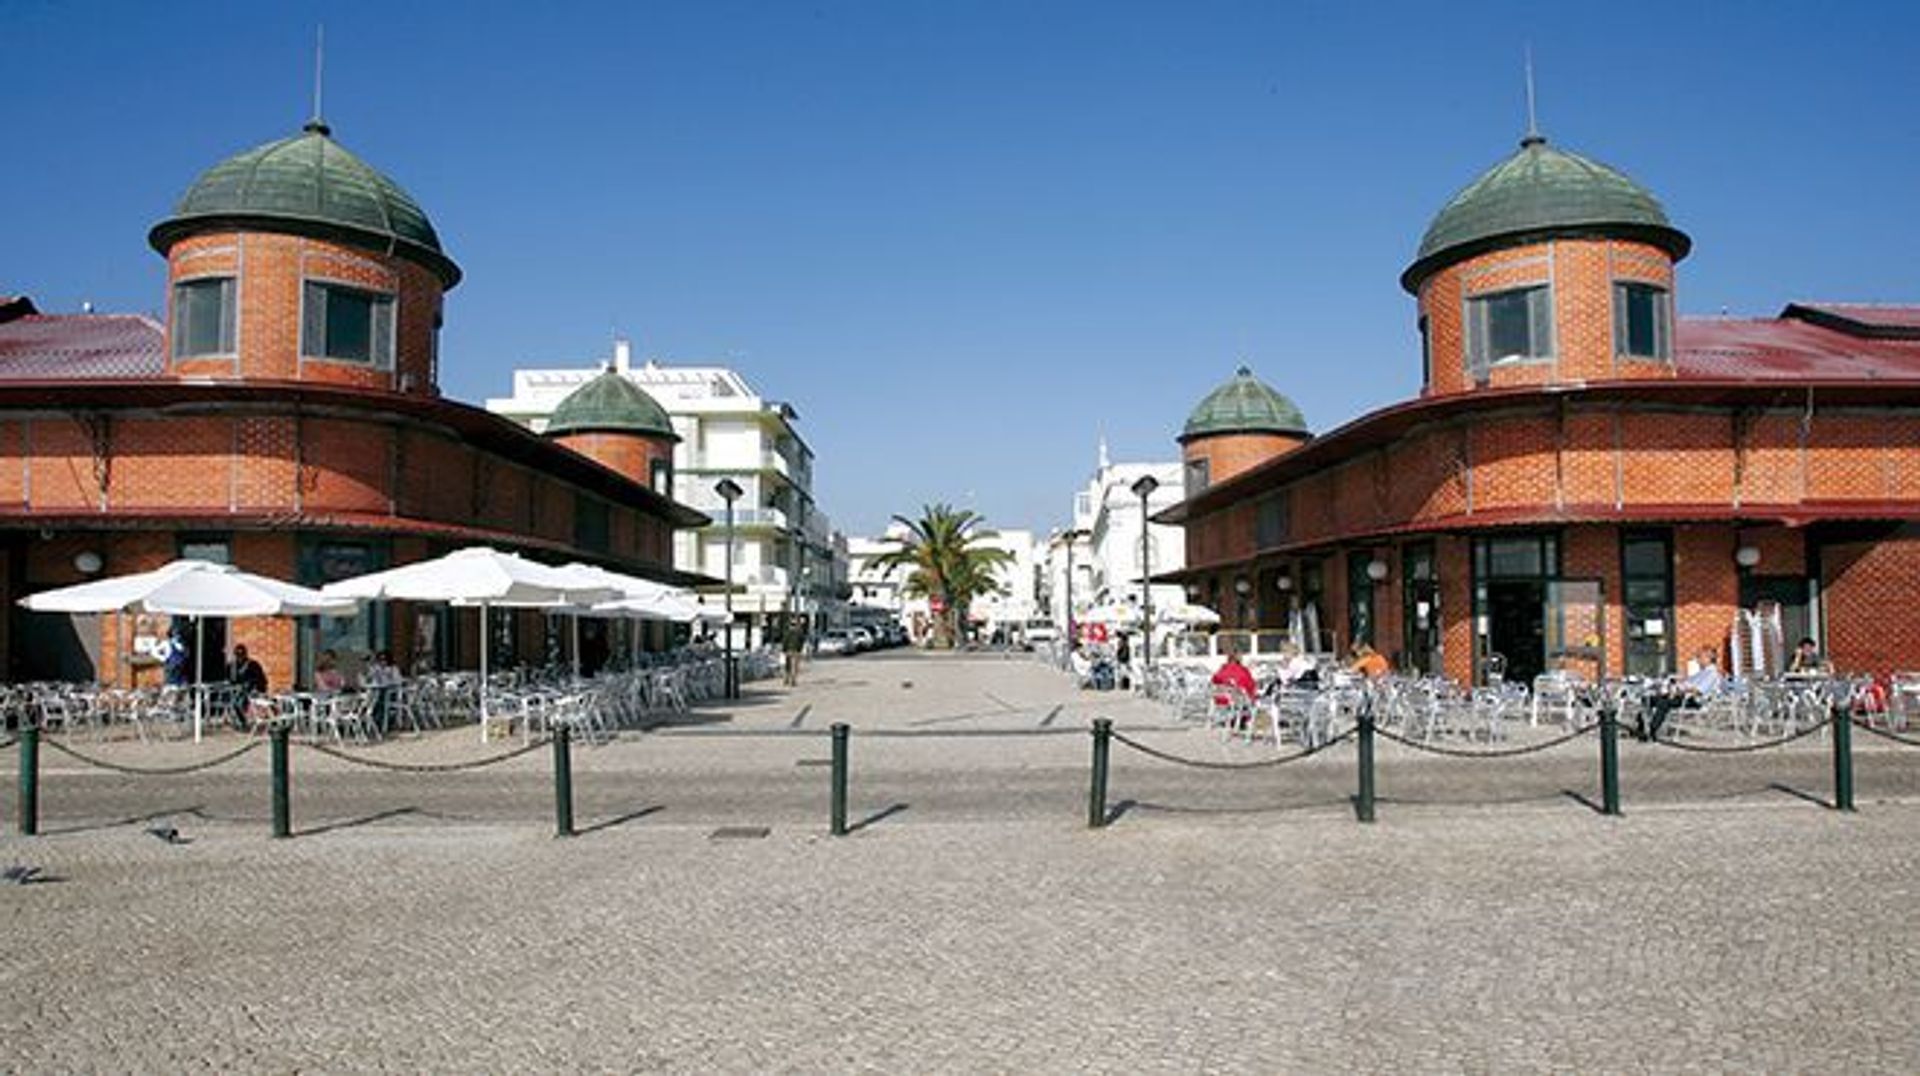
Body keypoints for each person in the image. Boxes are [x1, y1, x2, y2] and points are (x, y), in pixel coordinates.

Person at [782, 615, 804, 687]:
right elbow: (802, 641)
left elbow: (785, 641)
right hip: (796, 651)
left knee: (787, 666)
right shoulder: (799, 632)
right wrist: (800, 649)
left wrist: (784, 649)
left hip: (788, 650)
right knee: (795, 666)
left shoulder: (787, 631)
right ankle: (793, 680)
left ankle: (786, 679)